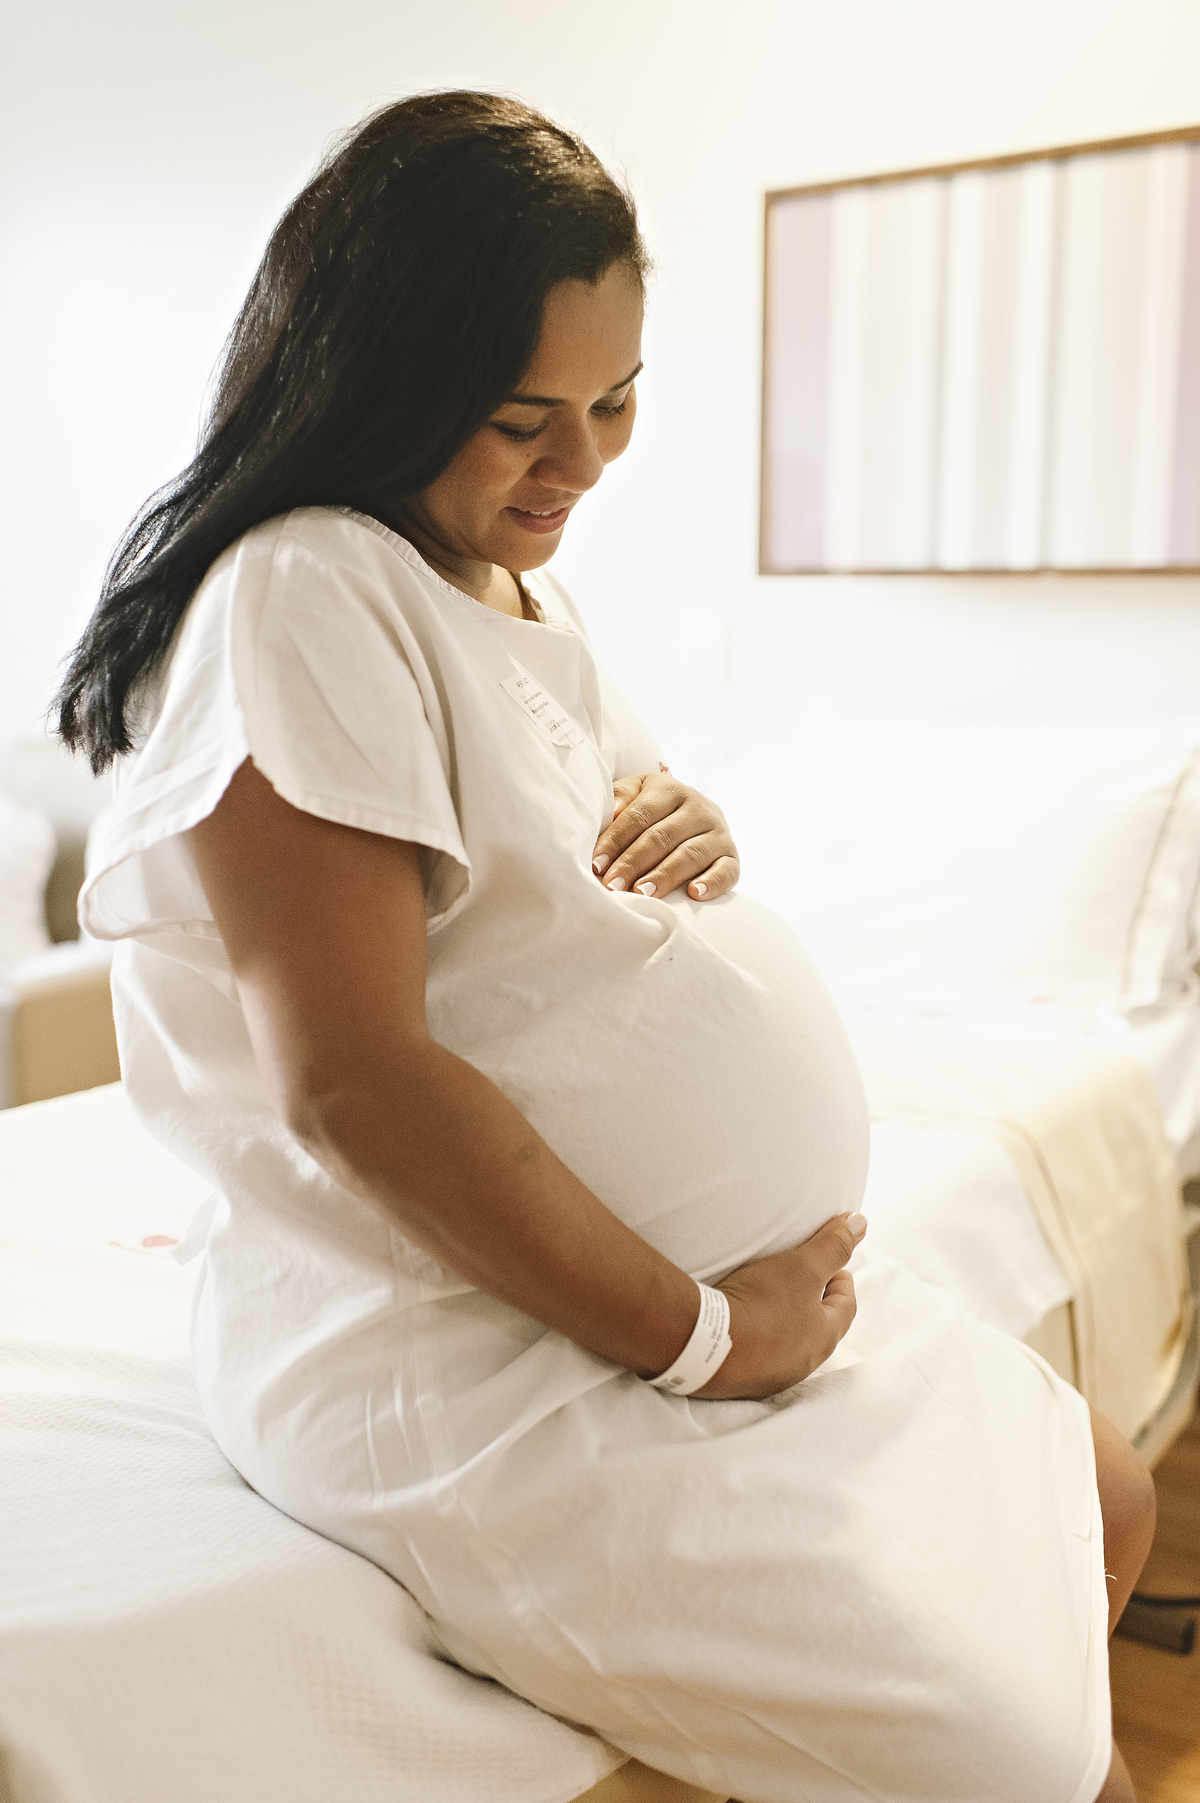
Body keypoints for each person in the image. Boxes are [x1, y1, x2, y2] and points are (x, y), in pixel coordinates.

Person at [59, 91, 1154, 1803]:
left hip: (669, 1300)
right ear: (377, 381)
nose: (580, 465)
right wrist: (706, 1333)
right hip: (468, 1336)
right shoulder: (304, 589)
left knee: (1106, 1487)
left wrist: (699, 832)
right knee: (1012, 1745)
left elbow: (557, 889)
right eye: (521, 420)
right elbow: (355, 1081)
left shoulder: (507, 587)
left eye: (619, 402)